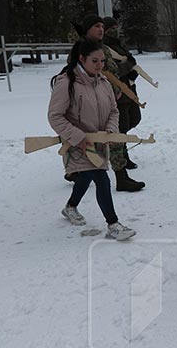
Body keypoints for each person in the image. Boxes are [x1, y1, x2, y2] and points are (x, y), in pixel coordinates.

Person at [48, 38, 136, 241]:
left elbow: (113, 110)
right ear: (81, 59)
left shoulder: (103, 82)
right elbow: (55, 116)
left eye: (102, 61)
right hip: (76, 142)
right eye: (94, 61)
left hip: (99, 142)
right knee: (101, 177)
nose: (100, 65)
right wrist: (78, 138)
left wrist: (111, 131)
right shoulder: (66, 82)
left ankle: (70, 207)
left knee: (87, 176)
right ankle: (113, 224)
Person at [71, 15, 144, 192]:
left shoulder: (102, 48)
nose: (101, 29)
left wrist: (118, 86)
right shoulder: (80, 49)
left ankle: (121, 177)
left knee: (113, 137)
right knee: (87, 139)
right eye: (96, 26)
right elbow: (77, 75)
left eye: (102, 26)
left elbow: (110, 73)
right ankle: (76, 172)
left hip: (108, 99)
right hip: (89, 103)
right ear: (87, 29)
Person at [102, 16, 143, 172]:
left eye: (116, 27)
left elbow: (127, 64)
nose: (115, 31)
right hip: (117, 93)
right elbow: (112, 71)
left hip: (130, 90)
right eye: (112, 28)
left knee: (135, 119)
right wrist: (129, 66)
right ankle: (122, 157)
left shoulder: (119, 45)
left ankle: (118, 148)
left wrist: (132, 72)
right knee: (122, 126)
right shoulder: (103, 48)